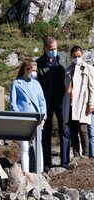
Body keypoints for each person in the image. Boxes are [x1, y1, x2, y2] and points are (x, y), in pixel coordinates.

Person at [10, 57, 47, 174]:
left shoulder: (36, 84)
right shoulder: (16, 83)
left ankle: (39, 172)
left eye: (36, 70)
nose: (35, 72)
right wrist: (18, 118)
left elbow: (42, 102)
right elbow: (13, 103)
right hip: (23, 119)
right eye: (33, 70)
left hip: (36, 119)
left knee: (37, 145)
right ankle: (25, 172)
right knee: (24, 146)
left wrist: (43, 117)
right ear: (26, 70)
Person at [36, 36, 68, 170]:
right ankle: (46, 163)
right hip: (46, 103)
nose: (53, 51)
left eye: (55, 48)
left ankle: (65, 161)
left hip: (62, 100)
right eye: (51, 49)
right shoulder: (38, 63)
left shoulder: (64, 58)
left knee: (65, 129)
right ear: (45, 49)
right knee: (46, 132)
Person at [63, 46, 94, 158]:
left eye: (79, 56)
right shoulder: (67, 70)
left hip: (82, 104)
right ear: (71, 56)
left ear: (82, 56)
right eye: (75, 56)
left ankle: (85, 155)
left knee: (83, 129)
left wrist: (91, 103)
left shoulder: (88, 69)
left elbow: (92, 88)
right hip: (71, 104)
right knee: (73, 130)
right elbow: (66, 89)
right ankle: (76, 155)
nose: (77, 58)